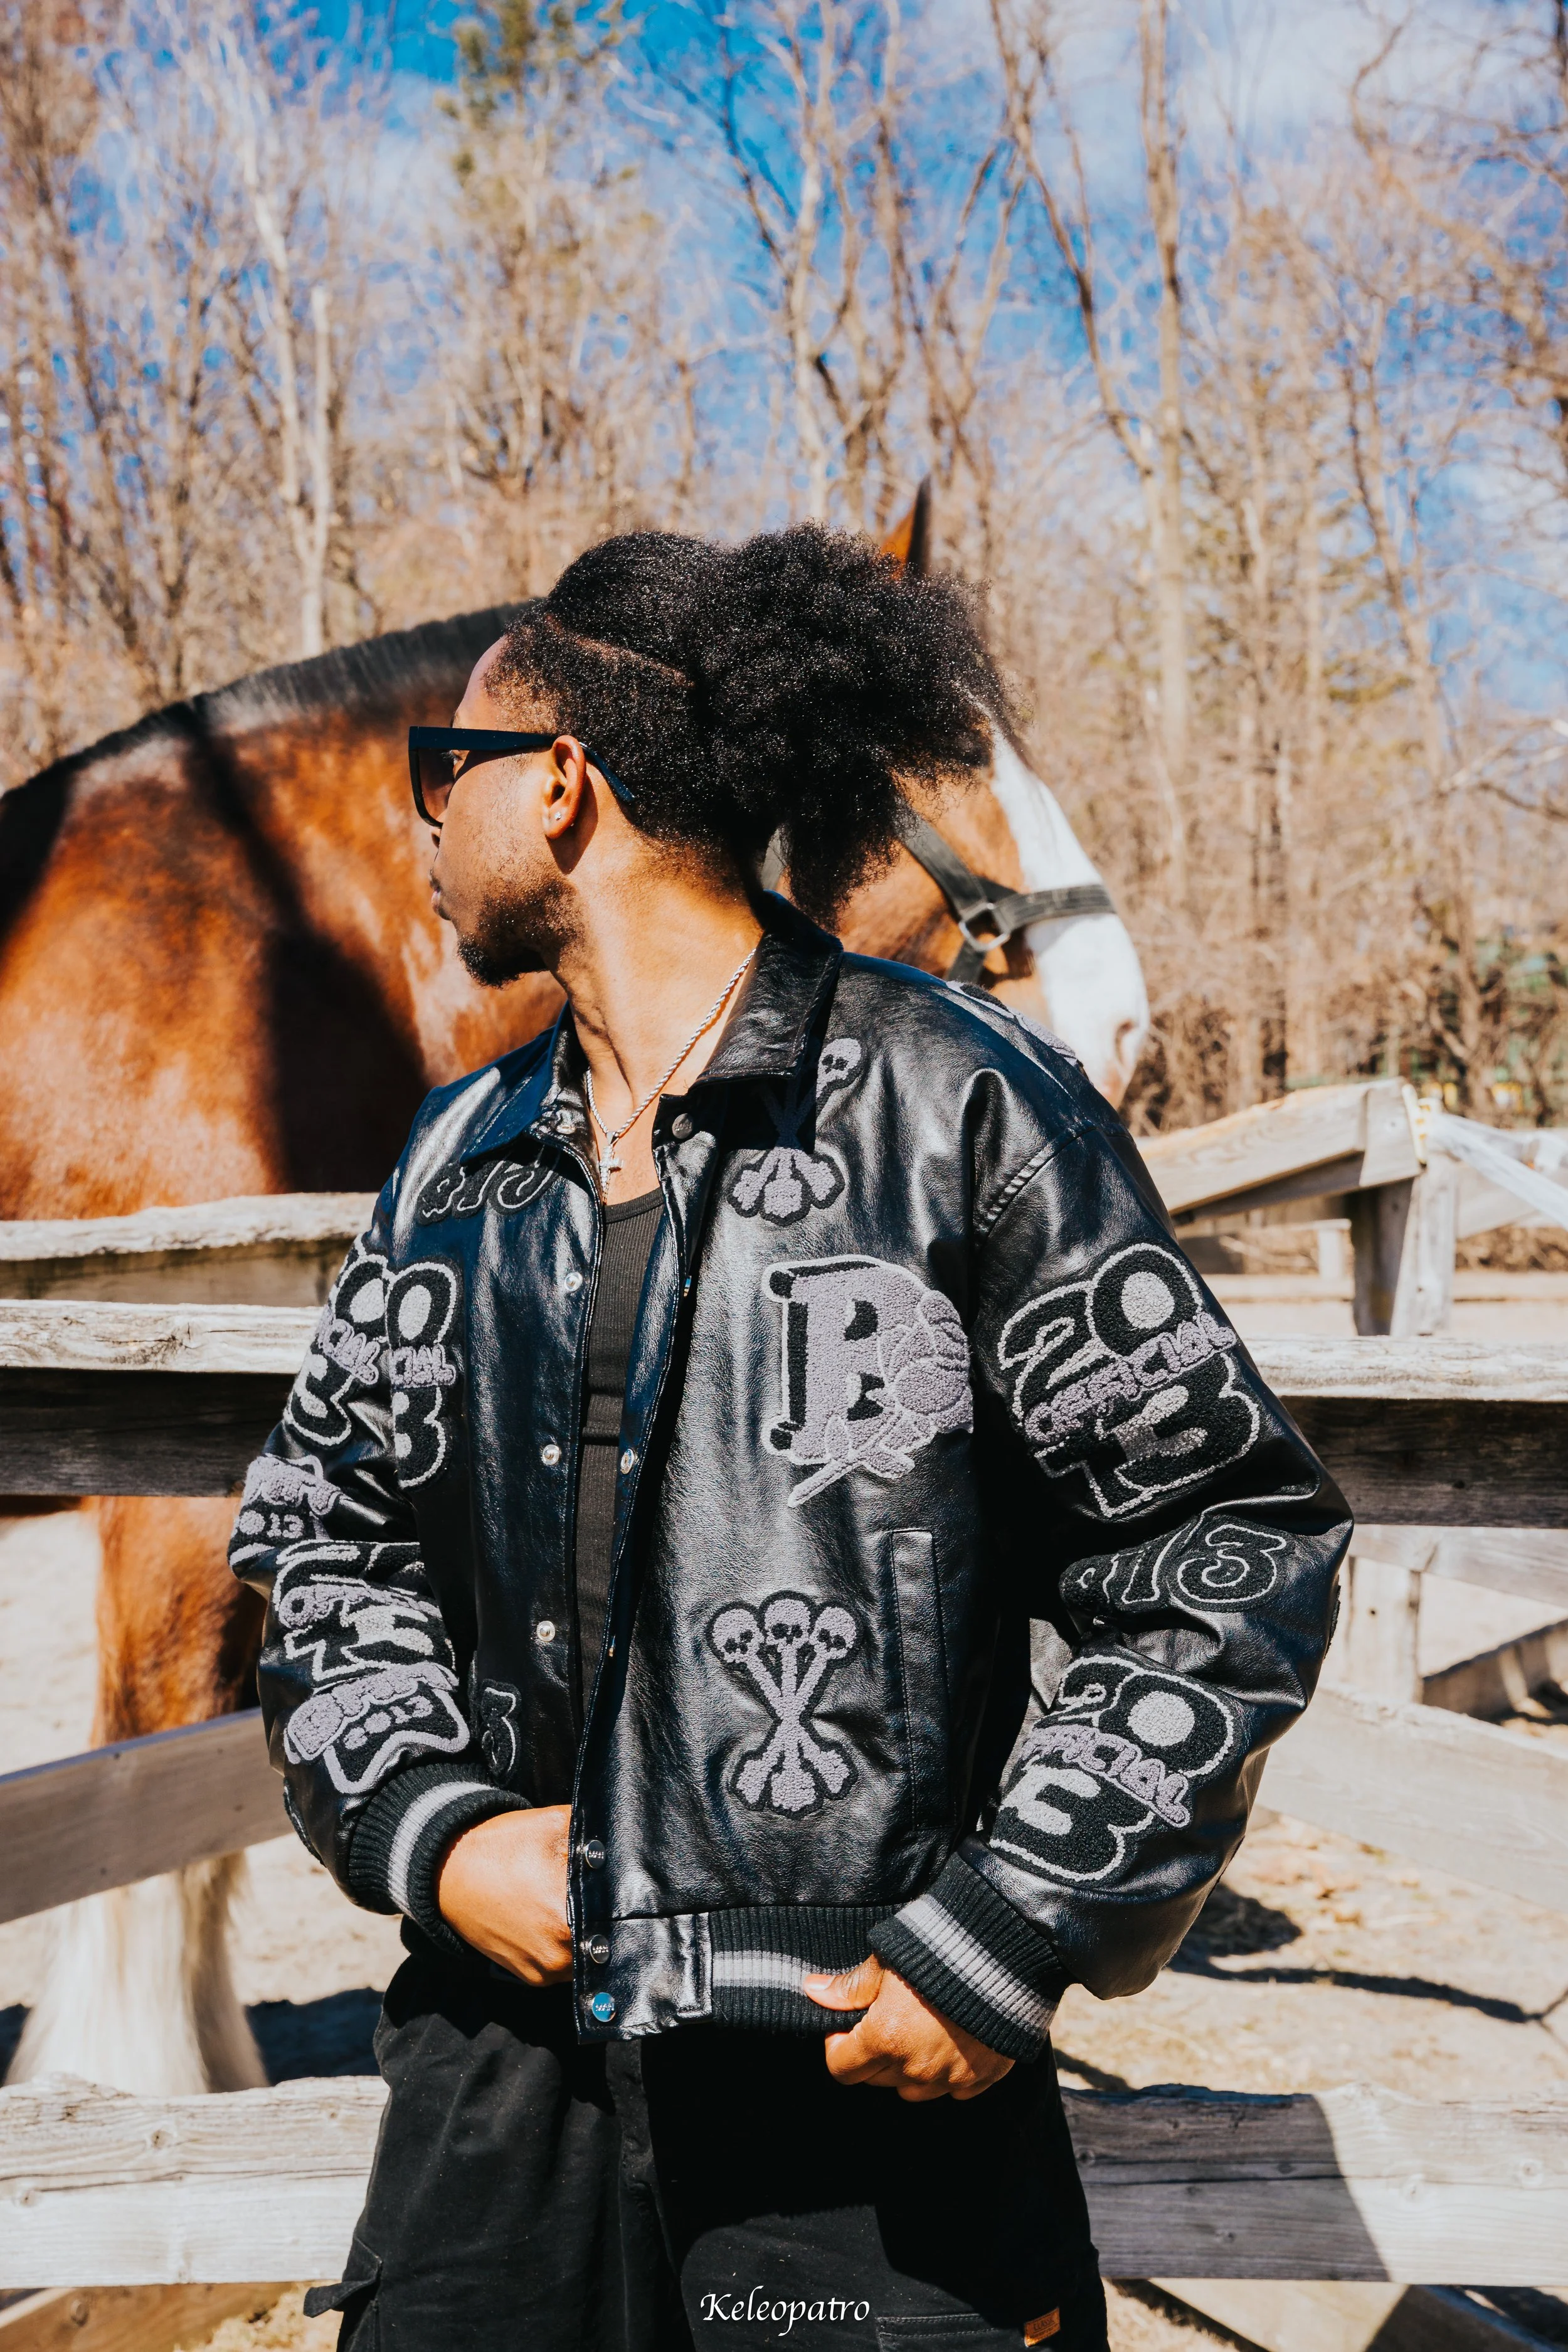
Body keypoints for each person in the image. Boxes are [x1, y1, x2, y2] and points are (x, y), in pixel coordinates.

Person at [231, 525, 1350, 2351]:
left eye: (447, 770)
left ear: (562, 784)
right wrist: (433, 1832)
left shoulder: (963, 1107)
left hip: (866, 2083)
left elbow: (1226, 1544)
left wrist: (1003, 1930)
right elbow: (319, 1531)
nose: (421, 822)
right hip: (499, 2092)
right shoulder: (452, 1161)